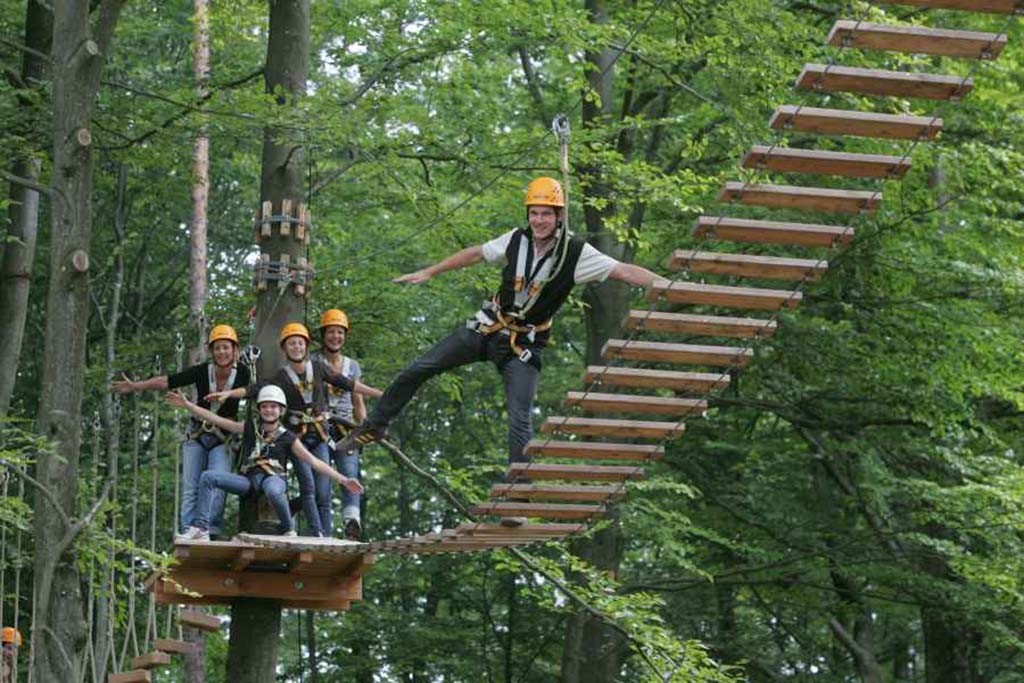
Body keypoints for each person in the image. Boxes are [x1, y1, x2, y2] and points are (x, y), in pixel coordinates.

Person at [336, 177, 660, 525]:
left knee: (520, 417)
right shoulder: (517, 239)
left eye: (545, 215)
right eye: (534, 213)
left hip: (523, 344)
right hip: (487, 327)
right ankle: (375, 425)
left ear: (559, 216)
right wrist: (430, 271)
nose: (538, 221)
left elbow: (623, 270)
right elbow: (477, 253)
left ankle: (519, 497)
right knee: (420, 367)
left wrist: (666, 284)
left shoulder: (577, 253)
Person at [208, 323, 382, 537]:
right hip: (297, 437)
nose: (296, 347)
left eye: (300, 343)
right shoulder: (282, 377)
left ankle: (324, 534)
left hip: (319, 436)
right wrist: (229, 394)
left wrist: (380, 394)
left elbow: (347, 384)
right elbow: (255, 389)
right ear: (285, 349)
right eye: (292, 344)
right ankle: (316, 532)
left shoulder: (318, 368)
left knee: (323, 491)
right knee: (307, 488)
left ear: (306, 347)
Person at [167, 385, 363, 541]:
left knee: (273, 491)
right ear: (259, 409)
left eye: (273, 406)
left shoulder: (288, 437)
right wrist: (188, 406)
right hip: (249, 481)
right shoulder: (250, 429)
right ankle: (200, 527)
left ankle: (288, 528)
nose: (269, 410)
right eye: (265, 406)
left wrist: (344, 480)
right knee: (208, 477)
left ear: (281, 410)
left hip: (273, 479)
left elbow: (313, 461)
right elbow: (217, 420)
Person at [111, 324, 250, 536]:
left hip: (223, 436)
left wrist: (230, 394)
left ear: (234, 350)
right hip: (198, 432)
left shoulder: (243, 374)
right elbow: (169, 381)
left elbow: (255, 390)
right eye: (218, 348)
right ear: (212, 351)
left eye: (226, 347)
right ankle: (188, 529)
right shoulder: (203, 371)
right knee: (191, 486)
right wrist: (137, 386)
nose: (222, 352)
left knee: (219, 482)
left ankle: (209, 530)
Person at [311, 309, 366, 540]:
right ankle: (323, 531)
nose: (336, 337)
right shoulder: (313, 361)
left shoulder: (352, 366)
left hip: (346, 428)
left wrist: (364, 429)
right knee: (322, 481)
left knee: (350, 473)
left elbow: (358, 401)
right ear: (324, 335)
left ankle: (352, 521)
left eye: (340, 332)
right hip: (320, 427)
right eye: (331, 332)